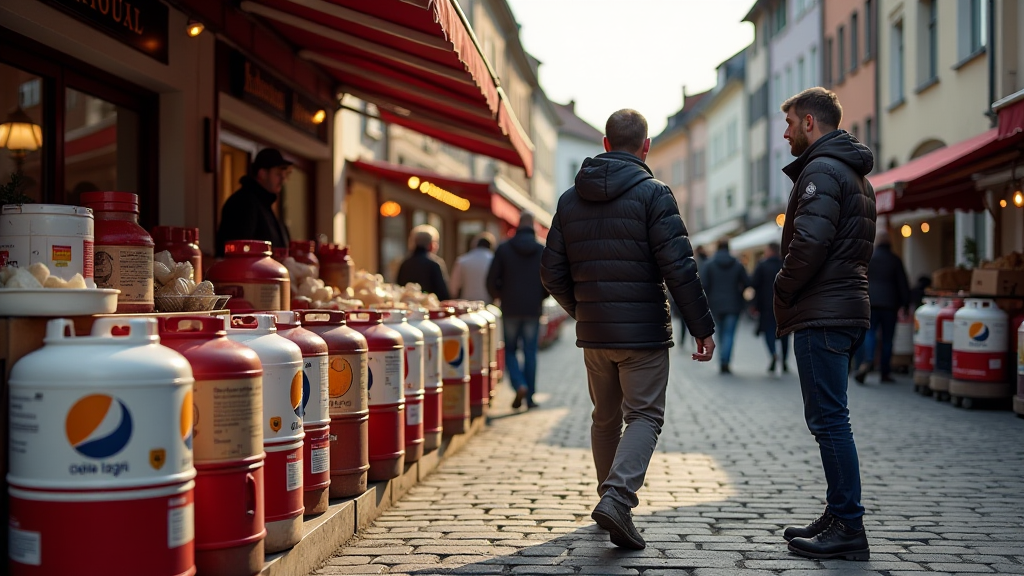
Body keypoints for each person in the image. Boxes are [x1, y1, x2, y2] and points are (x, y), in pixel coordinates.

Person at [540, 109, 716, 550]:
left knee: (605, 416)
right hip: (643, 334)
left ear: (604, 143)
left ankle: (608, 499)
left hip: (596, 334)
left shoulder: (568, 199)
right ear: (647, 146)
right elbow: (679, 267)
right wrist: (702, 327)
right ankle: (617, 498)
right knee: (644, 415)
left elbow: (551, 271)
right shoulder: (654, 194)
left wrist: (582, 310)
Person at [774, 87, 875, 561]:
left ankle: (848, 526)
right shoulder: (852, 172)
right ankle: (839, 514)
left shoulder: (821, 169)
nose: (787, 132)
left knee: (830, 421)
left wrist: (783, 287)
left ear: (810, 122)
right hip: (845, 306)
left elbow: (810, 241)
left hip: (823, 310)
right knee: (832, 418)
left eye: (790, 123)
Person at [486, 213, 547, 409]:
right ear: (534, 226)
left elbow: (491, 279)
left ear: (518, 225)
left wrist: (500, 295)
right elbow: (550, 279)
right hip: (532, 308)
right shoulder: (541, 249)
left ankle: (519, 384)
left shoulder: (504, 248)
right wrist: (541, 297)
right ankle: (529, 396)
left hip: (510, 308)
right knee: (530, 351)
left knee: (510, 350)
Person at [853, 230, 910, 384]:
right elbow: (902, 283)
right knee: (887, 339)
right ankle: (885, 372)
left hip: (871, 302)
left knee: (870, 333)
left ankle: (868, 361)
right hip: (890, 305)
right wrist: (905, 304)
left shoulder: (870, 258)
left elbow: (859, 278)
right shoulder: (895, 259)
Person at [216, 148, 292, 256]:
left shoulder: (264, 204)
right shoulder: (243, 203)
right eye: (278, 174)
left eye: (285, 175)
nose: (283, 180)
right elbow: (238, 252)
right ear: (262, 174)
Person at [700, 238, 749, 374]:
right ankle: (725, 361)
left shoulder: (709, 265)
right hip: (733, 304)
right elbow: (747, 282)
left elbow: (704, 285)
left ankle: (722, 359)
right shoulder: (738, 265)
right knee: (729, 334)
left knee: (720, 333)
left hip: (715, 304)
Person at [751, 242, 789, 373]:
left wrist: (754, 305)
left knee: (768, 332)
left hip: (766, 304)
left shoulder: (762, 265)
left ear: (770, 251)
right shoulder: (784, 264)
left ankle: (773, 353)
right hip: (784, 305)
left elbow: (754, 284)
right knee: (784, 334)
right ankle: (784, 361)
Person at [396, 224, 451, 300]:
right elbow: (443, 294)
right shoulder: (434, 264)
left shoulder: (405, 263)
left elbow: (399, 289)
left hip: (407, 308)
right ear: (431, 245)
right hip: (430, 308)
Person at [450, 232, 495, 303]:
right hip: (488, 303)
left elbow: (453, 287)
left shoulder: (462, 260)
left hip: (467, 303)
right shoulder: (493, 261)